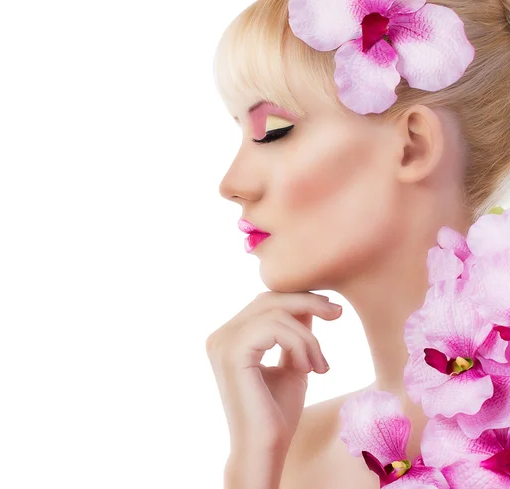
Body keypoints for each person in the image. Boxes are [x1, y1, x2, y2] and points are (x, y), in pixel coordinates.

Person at [205, 0, 510, 487]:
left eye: (274, 132)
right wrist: (254, 464)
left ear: (413, 145)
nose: (231, 182)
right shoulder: (291, 454)